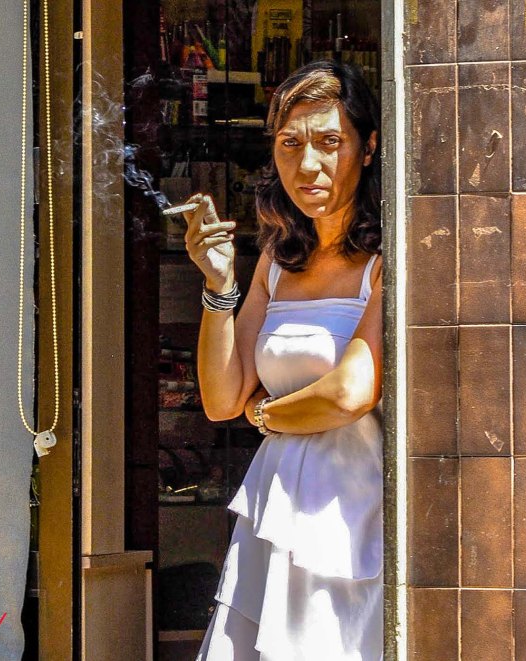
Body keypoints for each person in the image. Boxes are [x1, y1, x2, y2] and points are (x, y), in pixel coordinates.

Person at [183, 61, 383, 660]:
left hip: (353, 513)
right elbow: (222, 399)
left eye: (330, 142)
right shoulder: (276, 260)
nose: (308, 165)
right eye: (290, 144)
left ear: (369, 148)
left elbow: (350, 393)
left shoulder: (386, 260)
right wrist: (219, 284)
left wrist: (266, 416)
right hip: (275, 508)